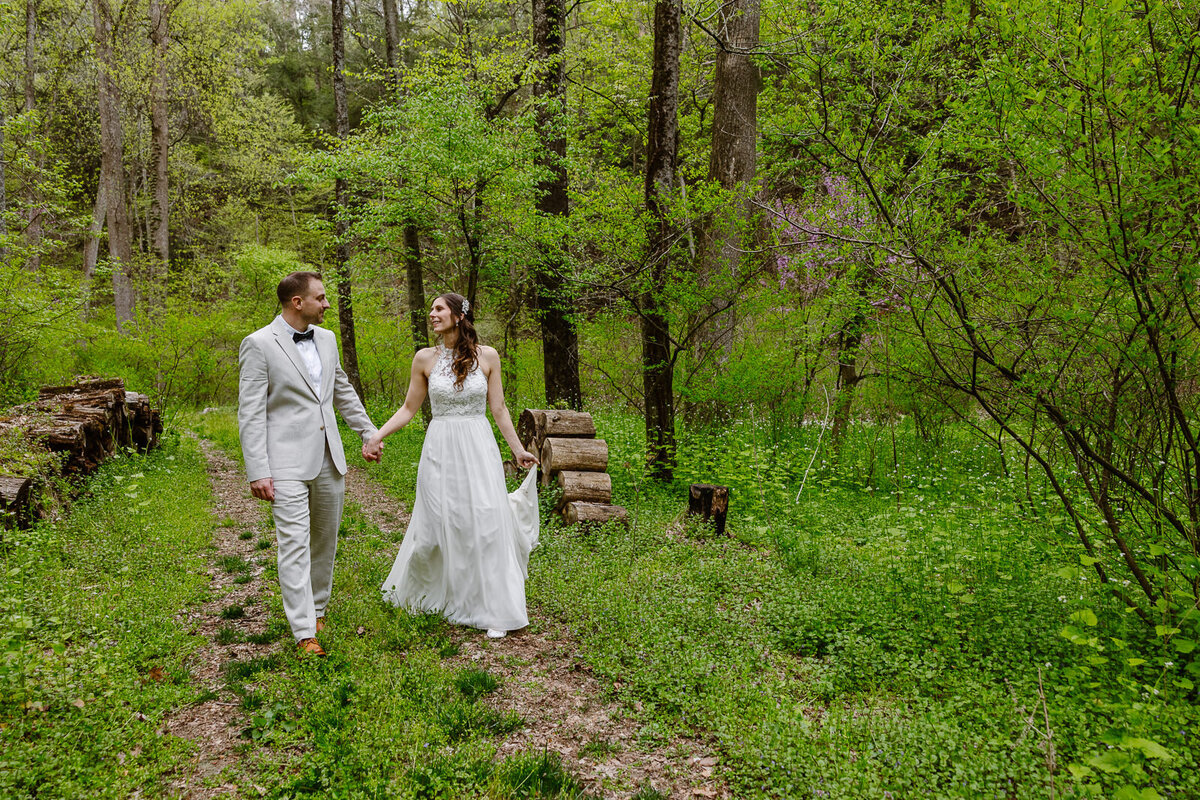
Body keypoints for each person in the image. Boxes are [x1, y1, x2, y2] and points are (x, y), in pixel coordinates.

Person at [364, 293, 539, 638]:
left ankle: (492, 608)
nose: (432, 314)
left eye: (439, 309)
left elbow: (499, 409)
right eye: (430, 309)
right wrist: (376, 435)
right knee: (437, 522)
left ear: (459, 316)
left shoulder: (487, 356)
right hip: (440, 446)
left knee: (486, 521)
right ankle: (437, 594)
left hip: (477, 444)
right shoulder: (424, 359)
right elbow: (408, 408)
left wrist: (518, 450)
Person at [238, 271, 380, 657]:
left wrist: (368, 432)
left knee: (324, 541)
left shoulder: (328, 340)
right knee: (294, 544)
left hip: (329, 457)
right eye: (321, 298)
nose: (328, 304)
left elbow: (341, 391)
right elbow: (250, 413)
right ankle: (303, 632)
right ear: (297, 302)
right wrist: (258, 470)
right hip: (283, 462)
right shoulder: (258, 344)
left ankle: (317, 609)